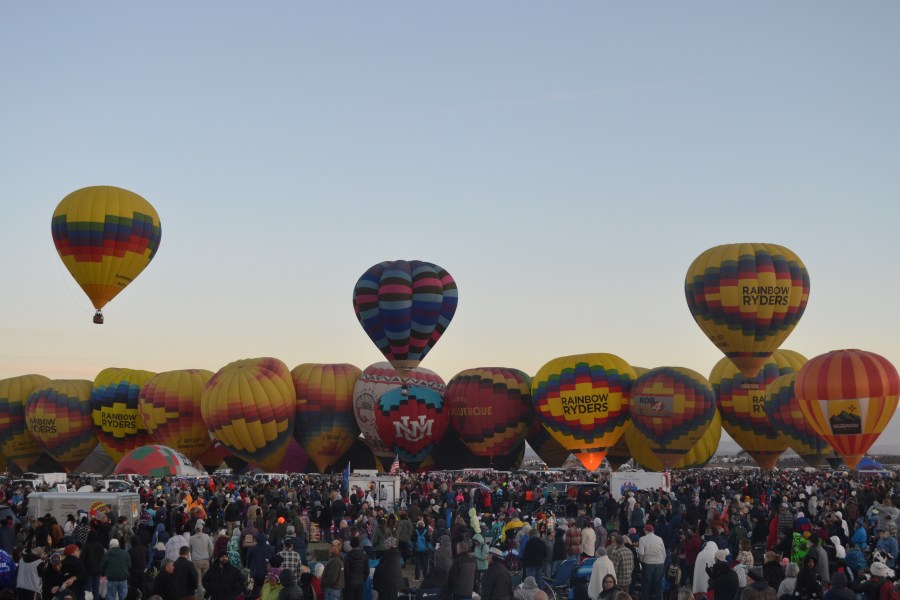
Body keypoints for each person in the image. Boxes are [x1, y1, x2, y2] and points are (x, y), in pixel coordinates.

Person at [638, 524, 666, 600]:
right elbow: (664, 553)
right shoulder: (659, 539)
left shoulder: (642, 539)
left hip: (647, 563)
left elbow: (641, 553)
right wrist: (662, 561)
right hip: (659, 563)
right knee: (658, 584)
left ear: (645, 530)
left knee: (646, 585)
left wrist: (641, 560)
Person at [190, 523, 214, 596]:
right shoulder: (206, 537)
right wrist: (209, 556)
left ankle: (200, 596)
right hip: (205, 559)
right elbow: (211, 547)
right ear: (202, 529)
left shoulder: (191, 538)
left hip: (196, 560)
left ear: (195, 529)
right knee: (206, 578)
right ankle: (208, 594)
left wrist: (193, 555)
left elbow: (190, 549)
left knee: (198, 579)